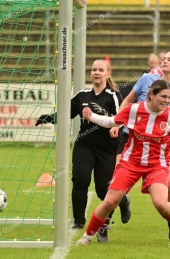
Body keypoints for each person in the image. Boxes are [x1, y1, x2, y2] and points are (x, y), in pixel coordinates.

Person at [75, 79, 170, 246]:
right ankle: (87, 236)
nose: (167, 100)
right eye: (163, 96)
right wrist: (92, 117)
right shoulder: (134, 110)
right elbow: (113, 121)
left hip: (157, 165)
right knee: (110, 202)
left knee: (161, 204)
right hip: (130, 163)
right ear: (151, 95)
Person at [34, 59, 132, 241]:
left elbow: (120, 118)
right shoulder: (82, 96)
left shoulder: (114, 95)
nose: (96, 72)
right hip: (84, 145)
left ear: (107, 74)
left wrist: (106, 120)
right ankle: (78, 220)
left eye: (101, 70)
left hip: (108, 149)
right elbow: (65, 113)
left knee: (104, 189)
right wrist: (46, 118)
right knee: (80, 179)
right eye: (94, 69)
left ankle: (111, 215)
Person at [112, 50, 170, 241]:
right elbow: (127, 101)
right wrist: (118, 122)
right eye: (164, 58)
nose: (164, 61)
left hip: (157, 145)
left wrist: (160, 108)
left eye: (169, 59)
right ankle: (105, 224)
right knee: (115, 183)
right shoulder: (147, 78)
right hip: (131, 139)